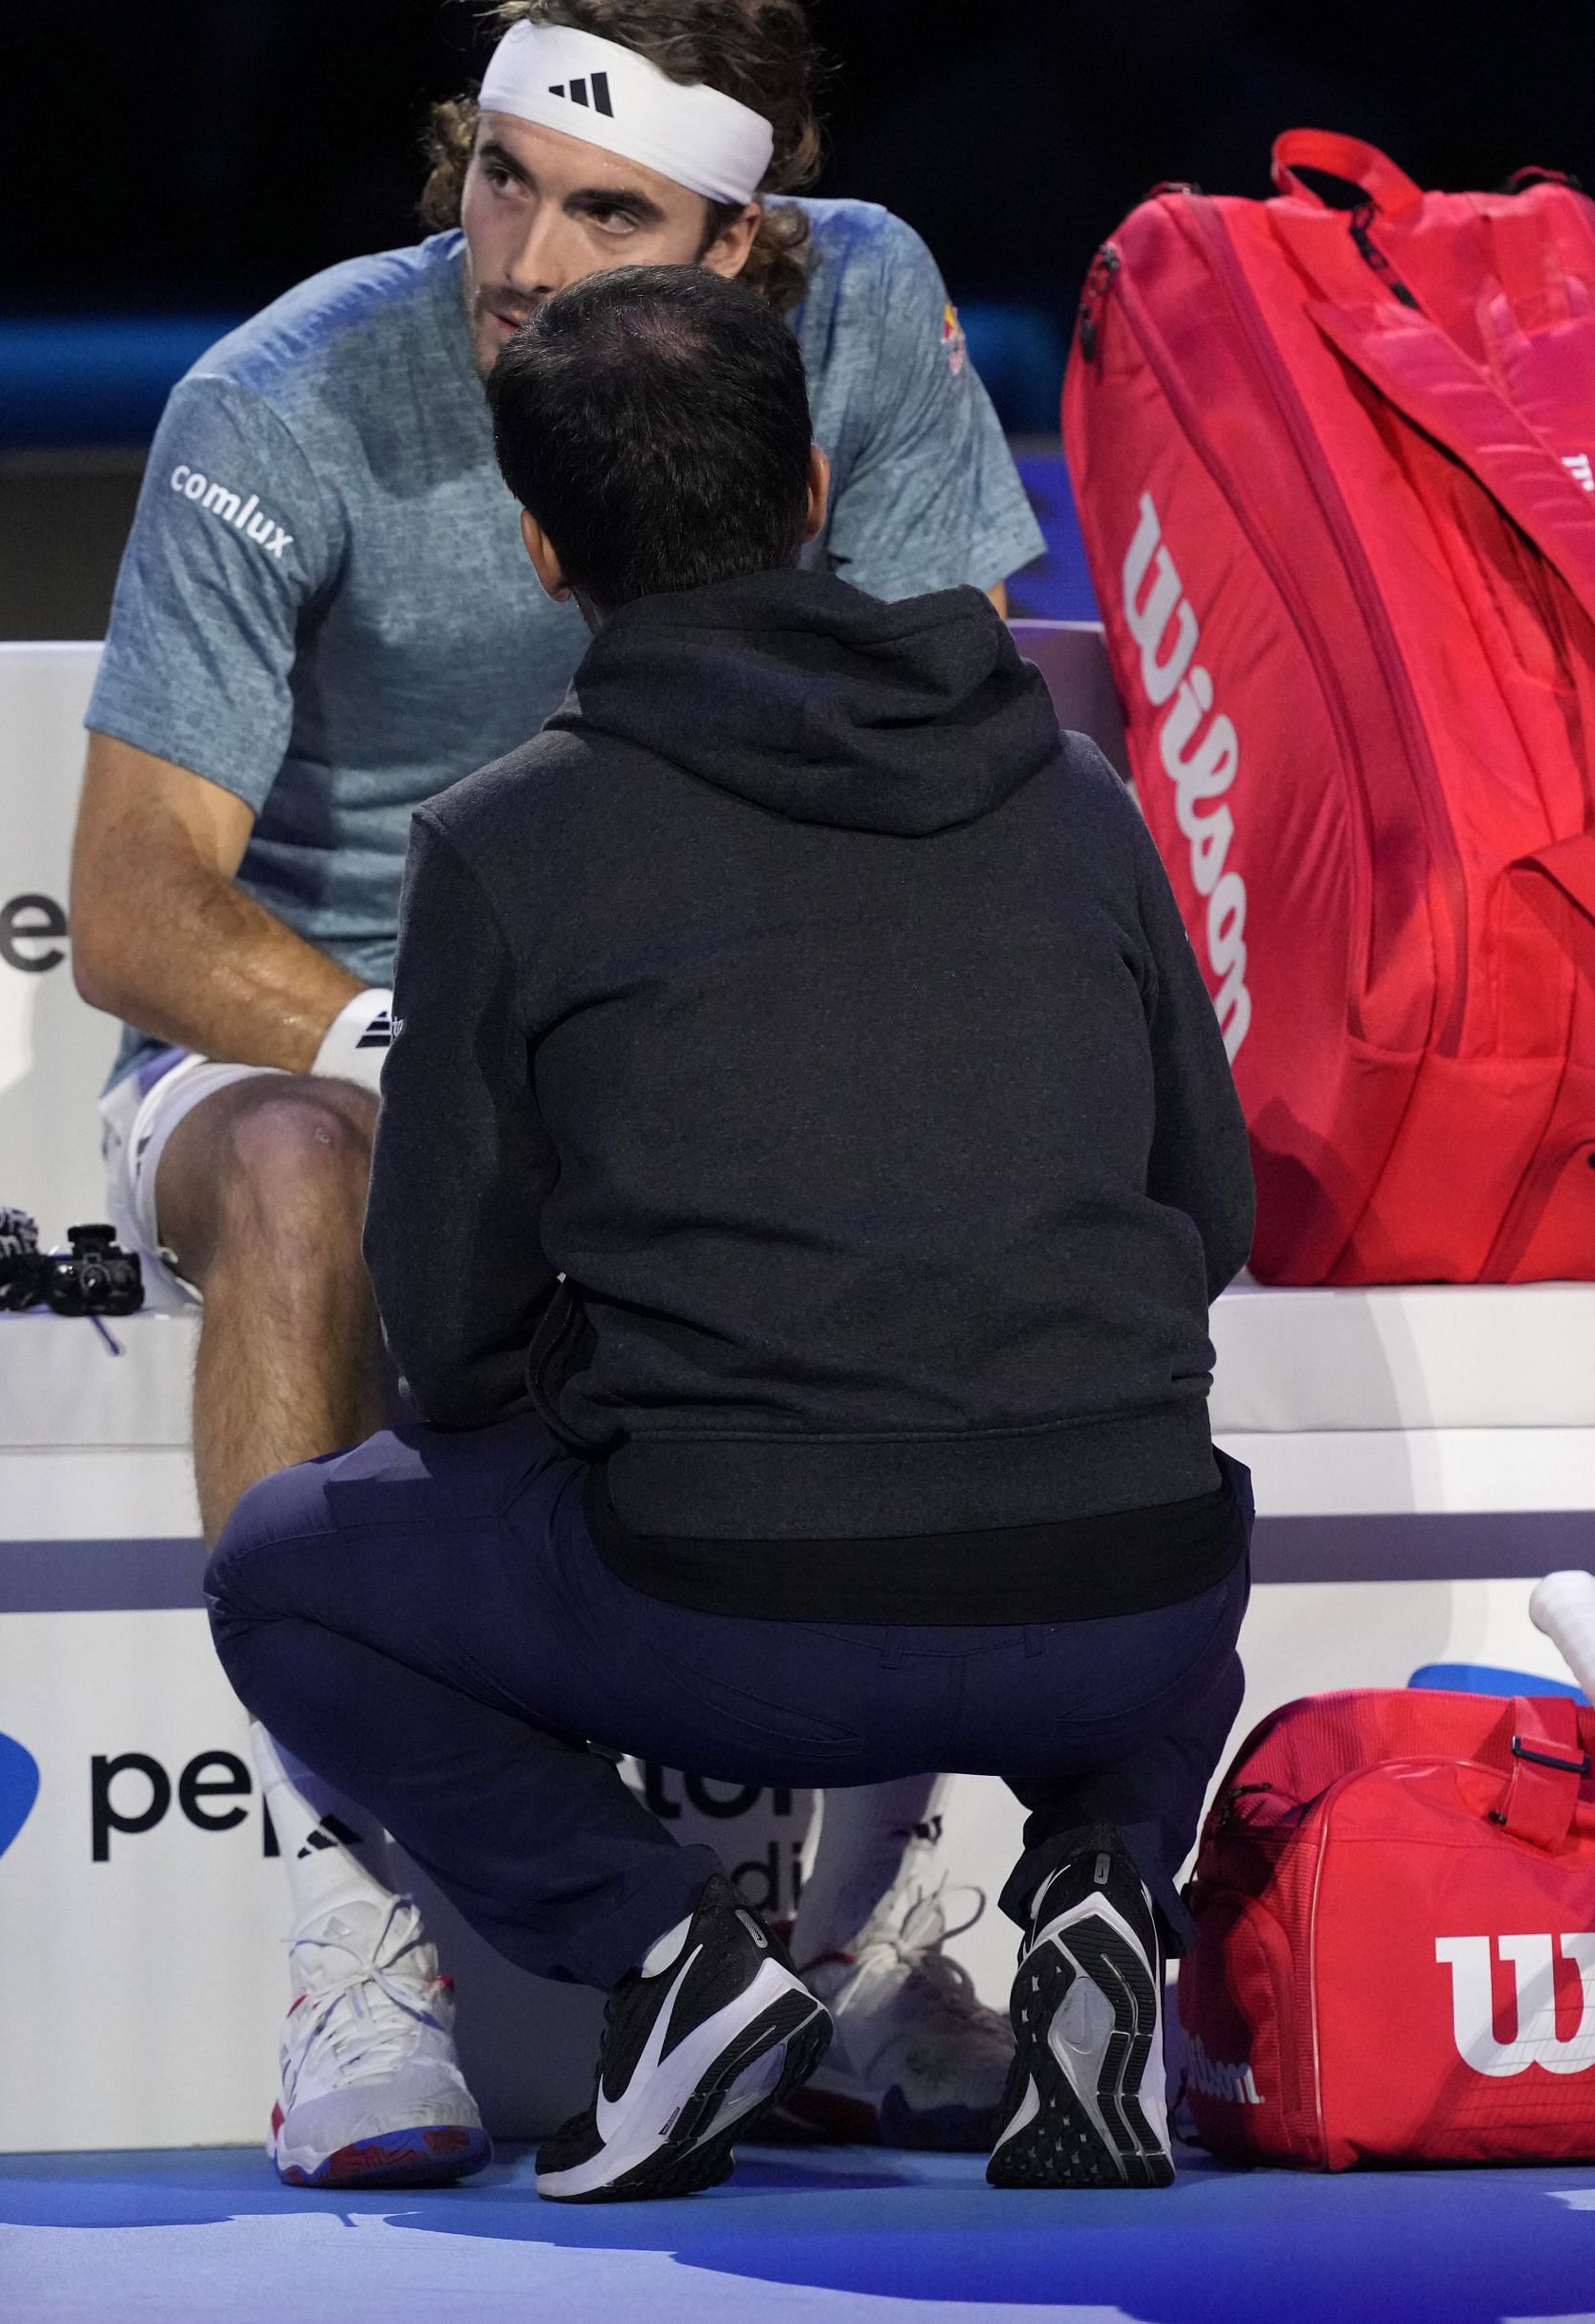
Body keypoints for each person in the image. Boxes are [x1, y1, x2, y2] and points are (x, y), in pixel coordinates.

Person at [67, 0, 1046, 2186]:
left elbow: (946, 761)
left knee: (923, 1103)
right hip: (320, 1039)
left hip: (686, 1024)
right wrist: (436, 1053)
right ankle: (355, 1947)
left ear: (749, 235)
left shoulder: (868, 308)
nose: (522, 254)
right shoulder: (281, 398)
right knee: (309, 1167)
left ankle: (873, 1922)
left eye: (605, 206)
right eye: (501, 174)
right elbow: (135, 910)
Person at [205, 262, 1256, 2203]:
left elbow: (447, 1331)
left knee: (287, 1569)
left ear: (539, 550)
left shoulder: (505, 842)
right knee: (1159, 1500)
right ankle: (1102, 1888)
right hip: (1134, 1621)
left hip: (733, 1619)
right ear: (817, 486)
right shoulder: (1079, 793)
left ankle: (666, 1955)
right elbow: (1214, 1210)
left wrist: (676, 1392)